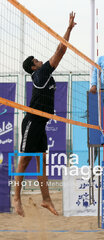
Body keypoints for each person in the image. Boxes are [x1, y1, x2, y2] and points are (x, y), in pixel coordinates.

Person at [16, 12, 77, 217]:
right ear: (33, 67)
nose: (41, 60)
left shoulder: (43, 74)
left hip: (41, 123)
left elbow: (59, 52)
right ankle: (16, 198)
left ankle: (46, 199)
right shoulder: (40, 73)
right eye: (37, 60)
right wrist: (68, 29)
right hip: (32, 122)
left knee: (42, 162)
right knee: (24, 160)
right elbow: (60, 50)